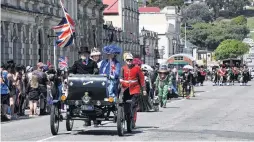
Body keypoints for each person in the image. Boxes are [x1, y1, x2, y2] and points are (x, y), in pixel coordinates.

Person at [120, 53, 146, 128]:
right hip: (126, 89)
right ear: (125, 61)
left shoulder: (137, 68)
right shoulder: (123, 68)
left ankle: (133, 120)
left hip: (135, 89)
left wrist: (144, 89)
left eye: (130, 60)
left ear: (132, 61)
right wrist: (121, 85)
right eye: (128, 60)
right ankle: (126, 117)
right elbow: (121, 79)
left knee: (133, 106)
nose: (129, 61)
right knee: (124, 105)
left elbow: (142, 79)